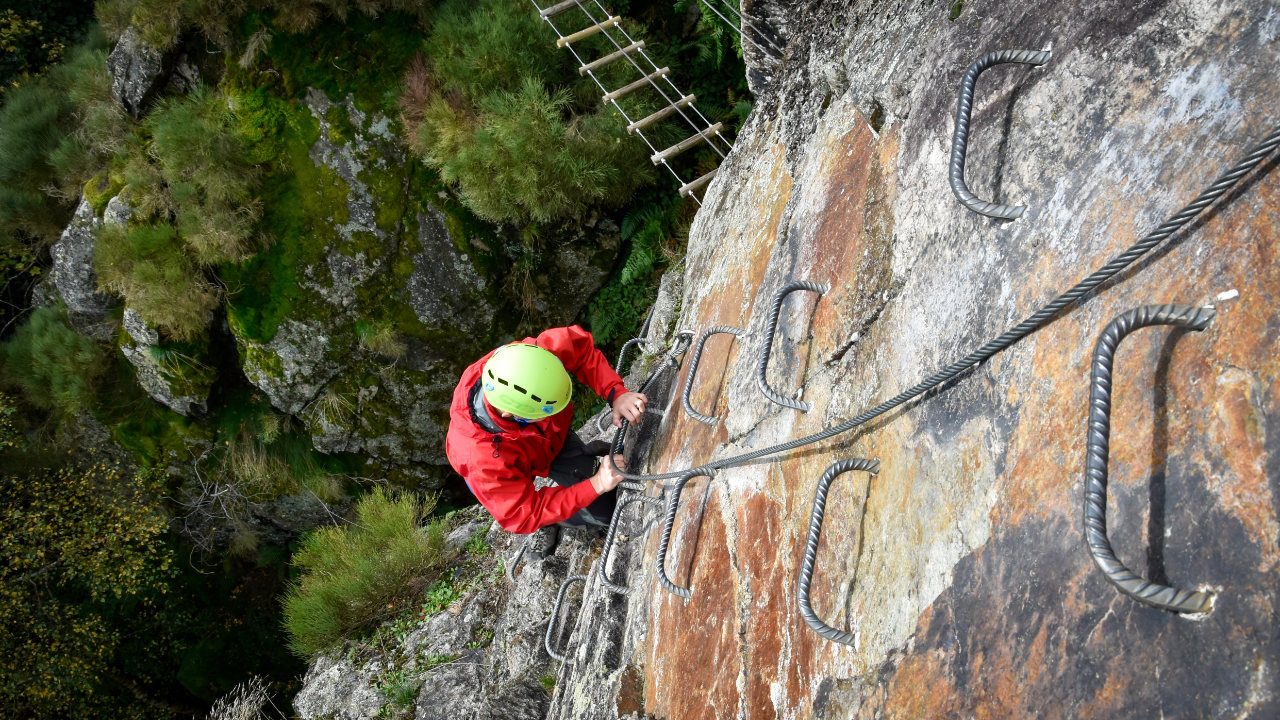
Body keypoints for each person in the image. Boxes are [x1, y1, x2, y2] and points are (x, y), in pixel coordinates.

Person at [445, 325, 648, 538]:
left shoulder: (528, 359)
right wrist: (596, 484)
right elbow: (522, 512)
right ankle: (556, 523)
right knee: (606, 515)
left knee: (605, 495)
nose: (548, 419)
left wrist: (615, 393)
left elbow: (578, 347)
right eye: (542, 415)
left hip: (550, 441)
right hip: (509, 458)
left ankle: (587, 454)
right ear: (511, 415)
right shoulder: (483, 462)